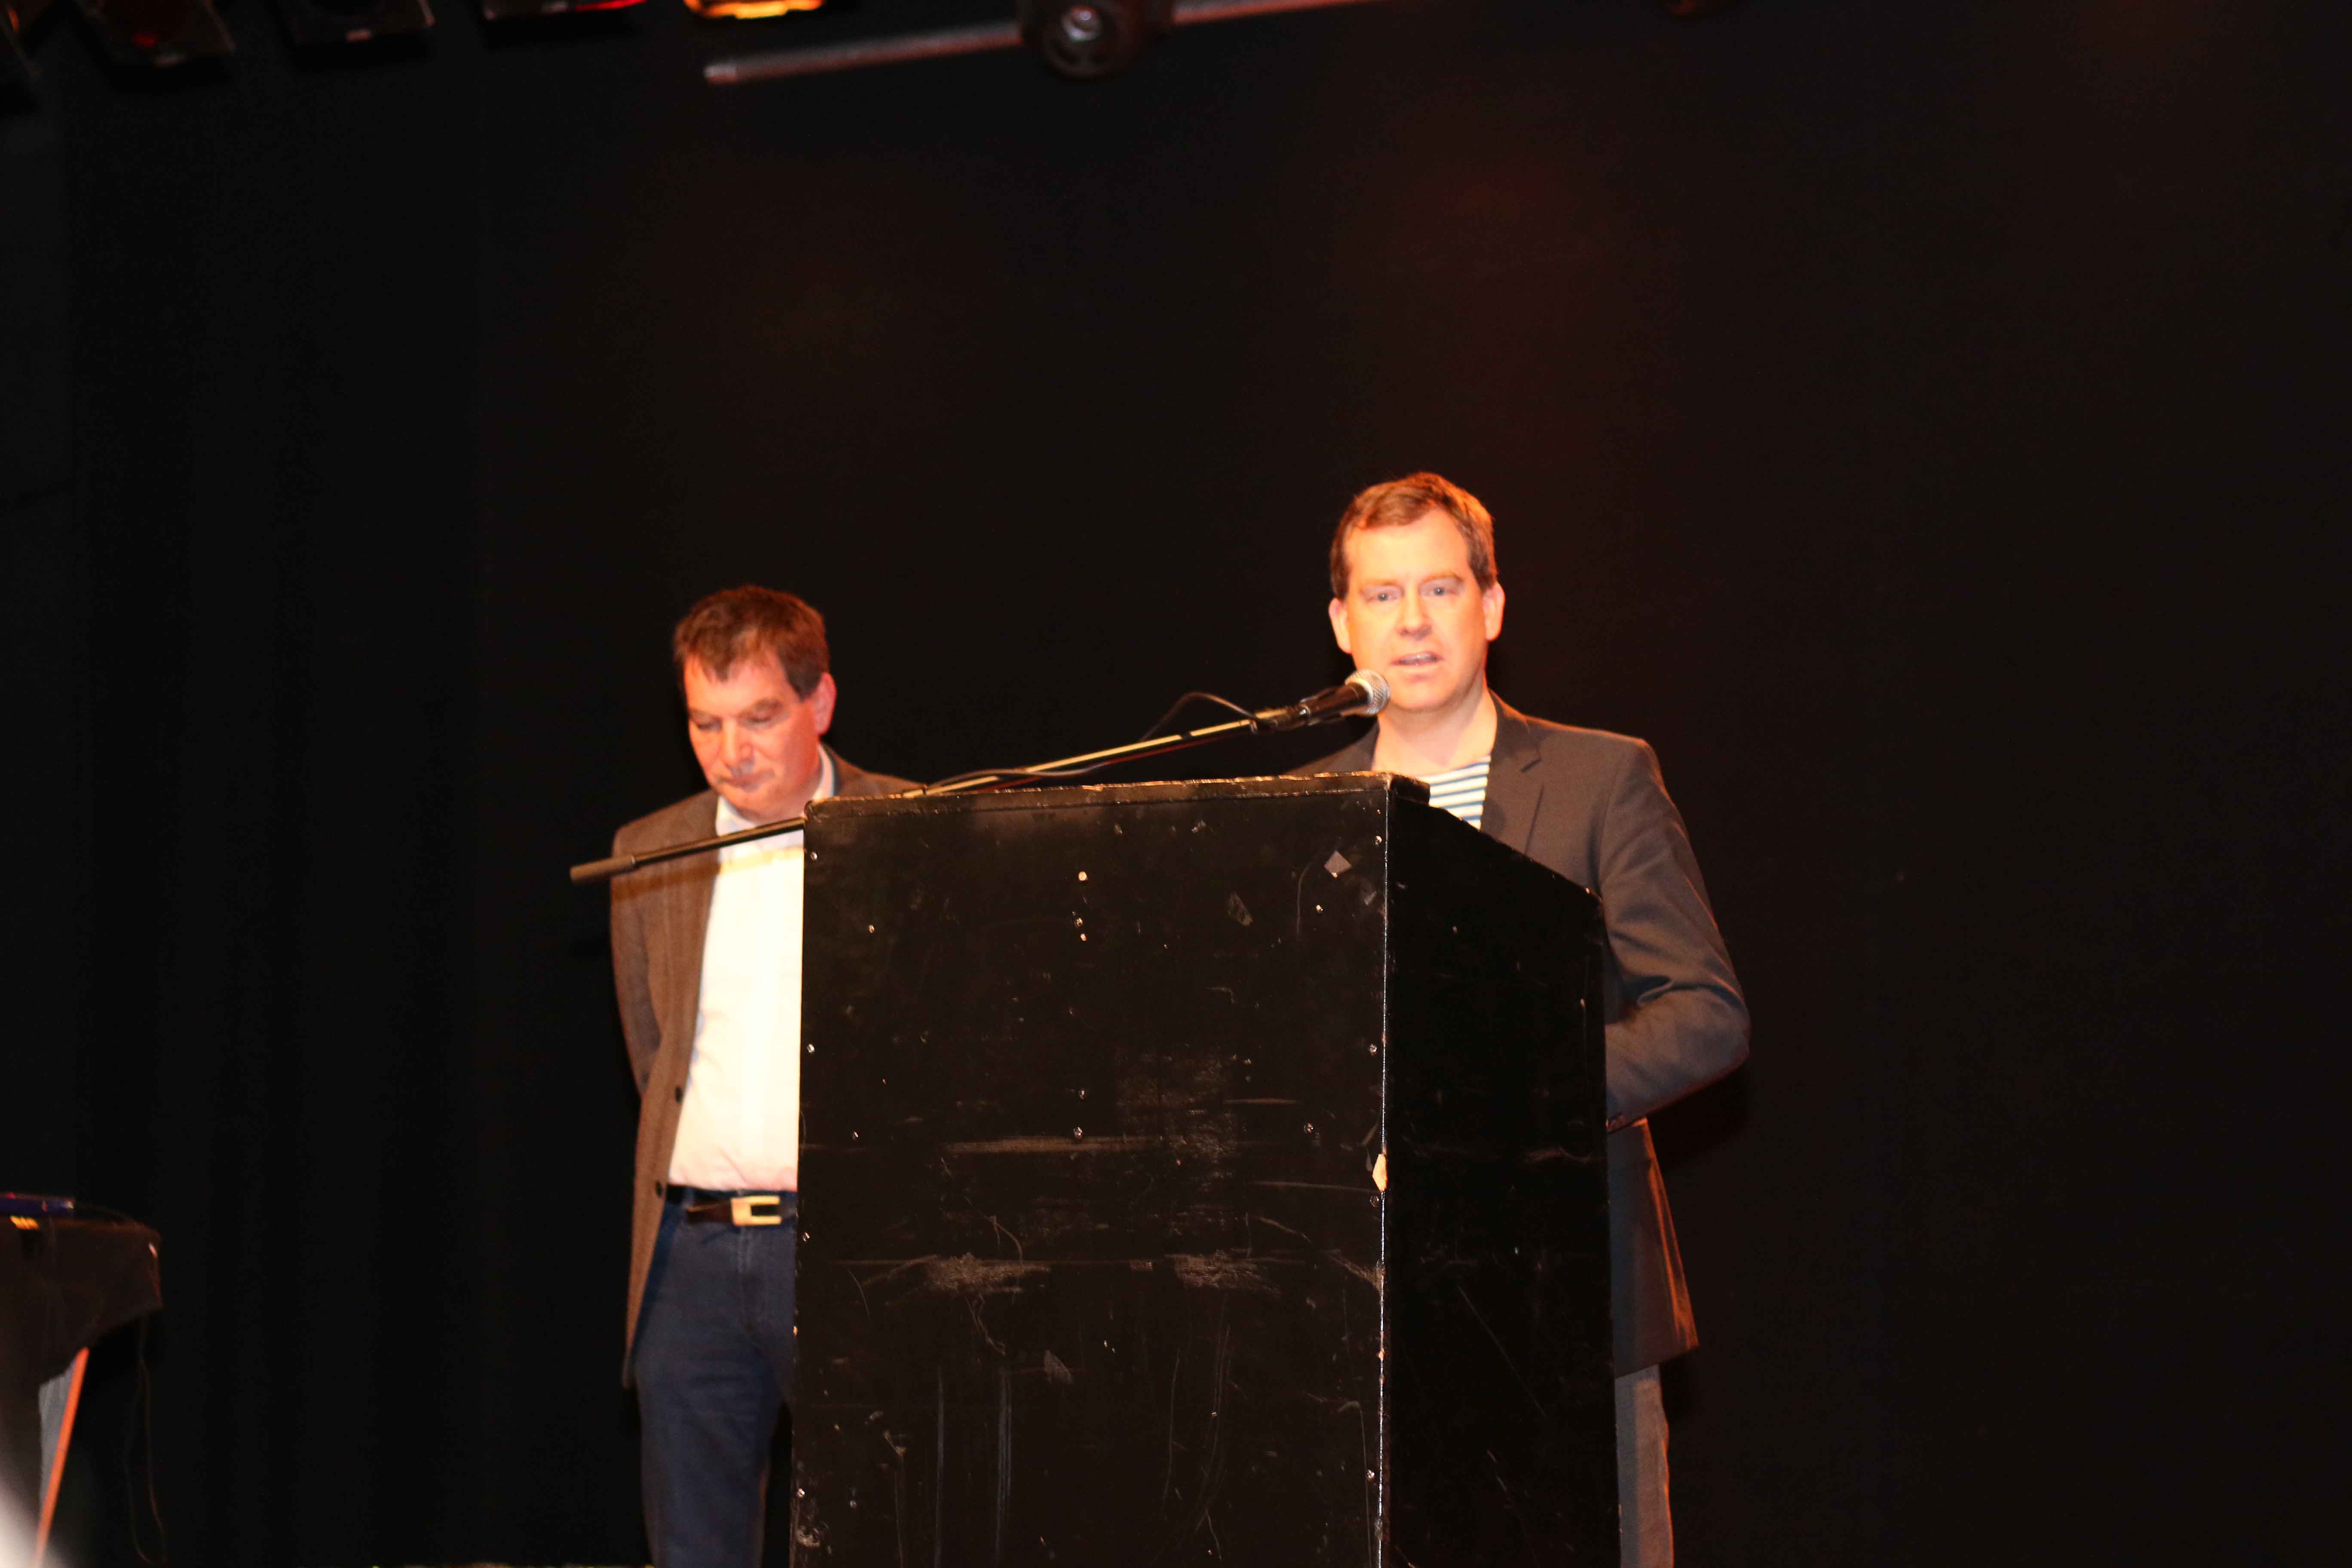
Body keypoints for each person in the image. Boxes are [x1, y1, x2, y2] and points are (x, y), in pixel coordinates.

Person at [1298, 474, 1749, 1568]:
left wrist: (1518, 1103)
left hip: (1572, 1304)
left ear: (1492, 606)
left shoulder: (1602, 778)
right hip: (1366, 1323)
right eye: (1384, 595)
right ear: (1343, 625)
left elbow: (1704, 1013)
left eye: (1442, 588)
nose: (1413, 621)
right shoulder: (1304, 811)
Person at [607, 585, 918, 1568]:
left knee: (877, 1530)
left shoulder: (913, 826)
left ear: (819, 703)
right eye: (706, 723)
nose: (730, 750)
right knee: (692, 1547)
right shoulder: (648, 851)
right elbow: (654, 1054)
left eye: (758, 718)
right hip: (689, 1259)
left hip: (848, 1251)